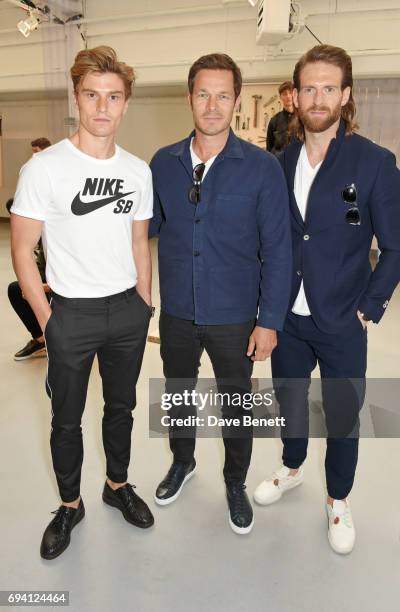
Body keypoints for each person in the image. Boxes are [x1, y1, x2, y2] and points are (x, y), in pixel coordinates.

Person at [254, 45, 400, 554]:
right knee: (289, 400)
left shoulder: (376, 163)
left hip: (342, 318)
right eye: (309, 88)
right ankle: (292, 468)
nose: (318, 98)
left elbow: (396, 246)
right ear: (294, 95)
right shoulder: (277, 161)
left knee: (342, 414)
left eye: (328, 88)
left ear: (346, 94)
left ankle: (338, 499)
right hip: (285, 317)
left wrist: (370, 305)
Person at [11, 46, 154, 560]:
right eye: (92, 95)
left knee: (122, 408)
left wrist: (144, 303)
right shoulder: (45, 169)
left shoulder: (138, 171)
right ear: (77, 97)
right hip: (71, 313)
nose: (102, 107)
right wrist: (49, 322)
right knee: (65, 421)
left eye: (113, 97)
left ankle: (117, 487)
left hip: (126, 312)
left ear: (125, 103)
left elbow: (140, 243)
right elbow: (22, 250)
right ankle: (70, 505)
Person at [150, 53, 292, 535]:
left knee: (236, 403)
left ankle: (234, 481)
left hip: (235, 315)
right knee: (177, 395)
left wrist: (269, 319)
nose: (212, 106)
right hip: (177, 311)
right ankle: (182, 462)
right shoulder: (163, 163)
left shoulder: (261, 168)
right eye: (203, 94)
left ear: (236, 101)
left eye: (223, 95)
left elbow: (277, 249)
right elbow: (141, 228)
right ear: (189, 97)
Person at [8, 138, 52, 360]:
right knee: (16, 289)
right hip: (51, 281)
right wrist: (33, 283)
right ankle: (41, 340)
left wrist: (45, 286)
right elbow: (31, 261)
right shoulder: (35, 236)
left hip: (69, 288)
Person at [266, 81, 294, 155]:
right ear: (280, 97)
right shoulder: (274, 121)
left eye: (290, 93)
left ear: (295, 94)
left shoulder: (303, 119)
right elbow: (269, 148)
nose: (288, 96)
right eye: (284, 94)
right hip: (279, 163)